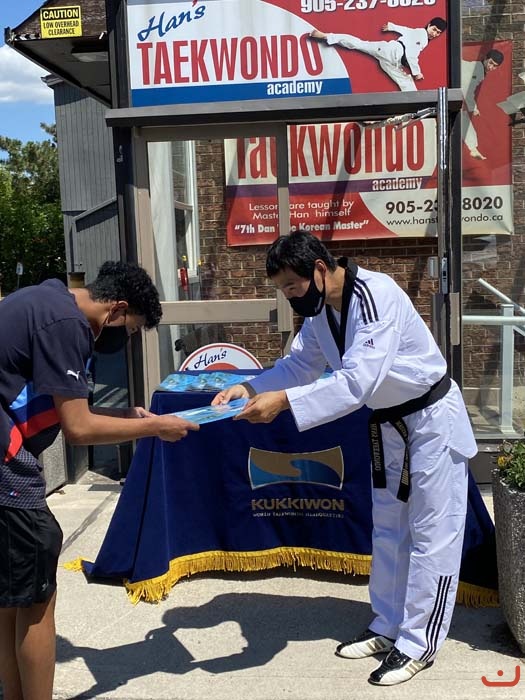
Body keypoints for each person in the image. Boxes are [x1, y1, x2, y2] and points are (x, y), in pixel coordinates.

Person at [212, 231, 476, 686]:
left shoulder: (376, 295)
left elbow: (358, 382)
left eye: (292, 286)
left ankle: (419, 643)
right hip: (389, 425)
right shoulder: (320, 311)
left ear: (319, 268)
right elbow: (300, 366)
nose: (290, 297)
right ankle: (388, 624)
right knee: (389, 528)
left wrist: (284, 402)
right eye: (282, 290)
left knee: (432, 533)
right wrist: (251, 387)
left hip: (431, 419)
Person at [0, 261, 199, 700]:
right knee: (36, 599)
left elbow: (68, 408)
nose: (124, 340)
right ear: (118, 310)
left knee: (12, 596)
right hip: (7, 465)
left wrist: (126, 415)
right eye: (131, 330)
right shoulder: (68, 325)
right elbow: (79, 429)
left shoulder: (48, 302)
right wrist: (155, 427)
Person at [309, 18, 447, 92]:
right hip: (391, 51)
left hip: (391, 61)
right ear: (429, 25)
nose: (434, 34)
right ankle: (326, 36)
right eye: (434, 29)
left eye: (438, 33)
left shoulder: (417, 32)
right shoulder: (422, 35)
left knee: (406, 82)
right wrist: (417, 73)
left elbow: (405, 30)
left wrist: (392, 26)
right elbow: (411, 55)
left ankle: (412, 108)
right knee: (359, 44)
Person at [462, 49, 504, 160]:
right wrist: (474, 108)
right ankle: (473, 148)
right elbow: (467, 88)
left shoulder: (479, 70)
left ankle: (473, 148)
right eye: (490, 63)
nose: (491, 67)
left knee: (462, 118)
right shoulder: (478, 69)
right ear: (485, 58)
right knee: (462, 118)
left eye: (495, 66)